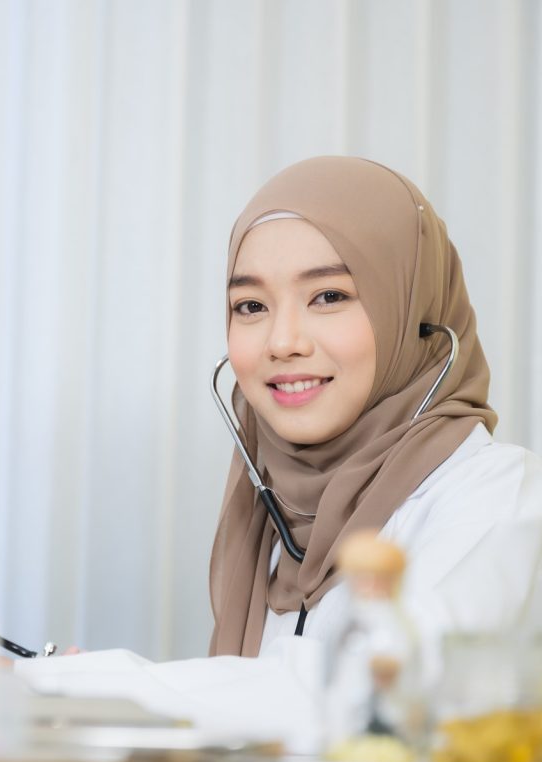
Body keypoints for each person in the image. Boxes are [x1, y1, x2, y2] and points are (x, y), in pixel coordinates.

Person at [209, 155, 542, 669]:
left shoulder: (499, 500)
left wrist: (121, 688)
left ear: (416, 318)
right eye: (251, 306)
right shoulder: (272, 522)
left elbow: (379, 699)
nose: (282, 342)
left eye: (328, 295)